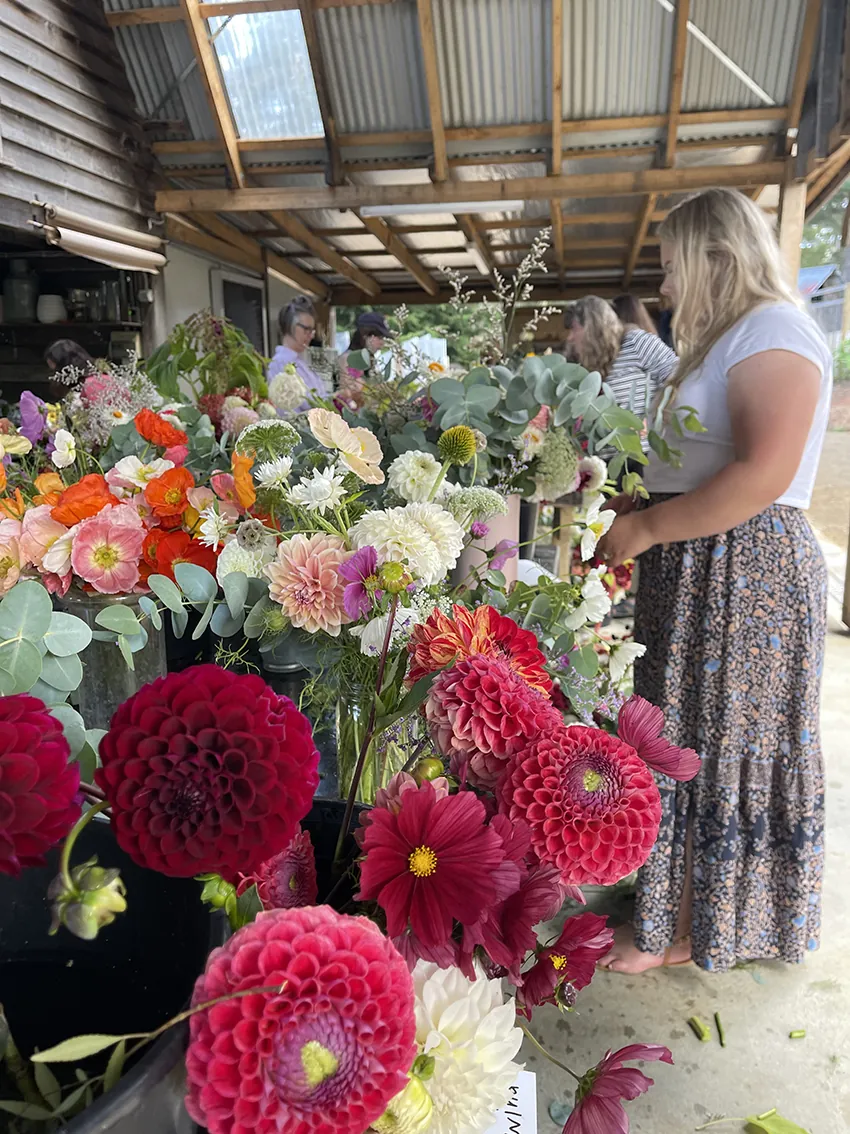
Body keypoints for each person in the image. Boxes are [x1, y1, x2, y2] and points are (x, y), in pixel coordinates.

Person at [596, 187, 833, 975]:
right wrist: (639, 503)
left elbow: (763, 473)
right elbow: (699, 461)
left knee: (720, 740)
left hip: (745, 572)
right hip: (703, 565)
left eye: (671, 267)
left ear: (717, 258)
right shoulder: (732, 338)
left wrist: (651, 527)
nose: (663, 289)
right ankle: (680, 911)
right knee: (688, 734)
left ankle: (697, 932)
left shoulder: (775, 329)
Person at [563, 296, 677, 424]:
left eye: (574, 328)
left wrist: (654, 420)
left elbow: (677, 378)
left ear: (591, 328)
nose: (570, 338)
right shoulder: (589, 364)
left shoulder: (636, 341)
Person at [267, 296, 327, 401]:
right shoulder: (281, 363)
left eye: (312, 330)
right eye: (306, 329)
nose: (311, 335)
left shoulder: (300, 361)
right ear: (290, 326)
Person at [337, 311, 394, 409]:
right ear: (365, 335)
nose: (382, 343)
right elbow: (346, 396)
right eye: (379, 337)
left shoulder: (370, 361)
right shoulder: (348, 359)